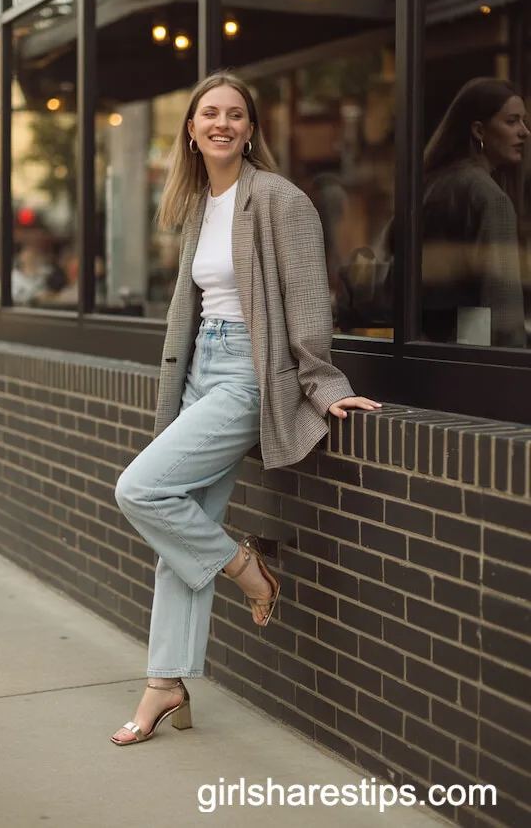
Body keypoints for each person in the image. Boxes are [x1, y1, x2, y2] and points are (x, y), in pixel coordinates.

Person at [110, 71, 381, 747]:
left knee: (141, 488)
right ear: (193, 130)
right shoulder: (199, 201)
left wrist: (323, 383)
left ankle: (246, 567)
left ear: (251, 129)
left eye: (235, 114)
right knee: (181, 533)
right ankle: (165, 683)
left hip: (247, 376)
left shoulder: (280, 200)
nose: (222, 123)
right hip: (203, 368)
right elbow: (194, 306)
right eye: (210, 114)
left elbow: (310, 300)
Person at [420, 77, 530, 347]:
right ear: (479, 131)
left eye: (523, 121)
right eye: (512, 121)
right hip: (475, 360)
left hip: (432, 351)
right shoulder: (489, 197)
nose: (525, 132)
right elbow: (503, 311)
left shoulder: (434, 184)